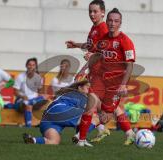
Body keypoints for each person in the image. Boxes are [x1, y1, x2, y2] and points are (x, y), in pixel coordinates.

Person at [76, 8, 136, 147]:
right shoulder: (103, 39)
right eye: (110, 20)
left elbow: (130, 65)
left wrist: (123, 84)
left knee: (105, 116)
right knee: (89, 107)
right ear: (107, 21)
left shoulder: (125, 41)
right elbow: (96, 55)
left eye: (116, 21)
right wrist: (83, 69)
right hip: (100, 81)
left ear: (120, 23)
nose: (112, 23)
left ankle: (128, 133)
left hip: (115, 84)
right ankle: (81, 140)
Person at [66, 0, 111, 143]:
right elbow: (91, 46)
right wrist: (76, 45)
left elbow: (107, 52)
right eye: (90, 11)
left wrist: (92, 56)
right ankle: (92, 133)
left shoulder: (104, 29)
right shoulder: (94, 28)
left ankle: (82, 136)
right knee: (92, 107)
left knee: (94, 107)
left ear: (103, 12)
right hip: (94, 73)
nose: (92, 14)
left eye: (95, 11)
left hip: (102, 75)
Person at [23, 80, 92, 146]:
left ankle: (33, 140)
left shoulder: (68, 94)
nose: (90, 90)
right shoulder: (81, 96)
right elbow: (87, 116)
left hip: (47, 118)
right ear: (79, 88)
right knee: (95, 116)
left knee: (54, 141)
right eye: (88, 87)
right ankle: (80, 137)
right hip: (61, 109)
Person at [13, 58, 46, 127]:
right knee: (28, 105)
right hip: (22, 100)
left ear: (35, 67)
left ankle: (44, 125)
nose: (31, 67)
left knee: (46, 101)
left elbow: (40, 92)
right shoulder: (20, 76)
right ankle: (28, 127)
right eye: (29, 65)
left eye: (33, 65)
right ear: (26, 66)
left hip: (34, 100)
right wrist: (23, 96)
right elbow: (15, 92)